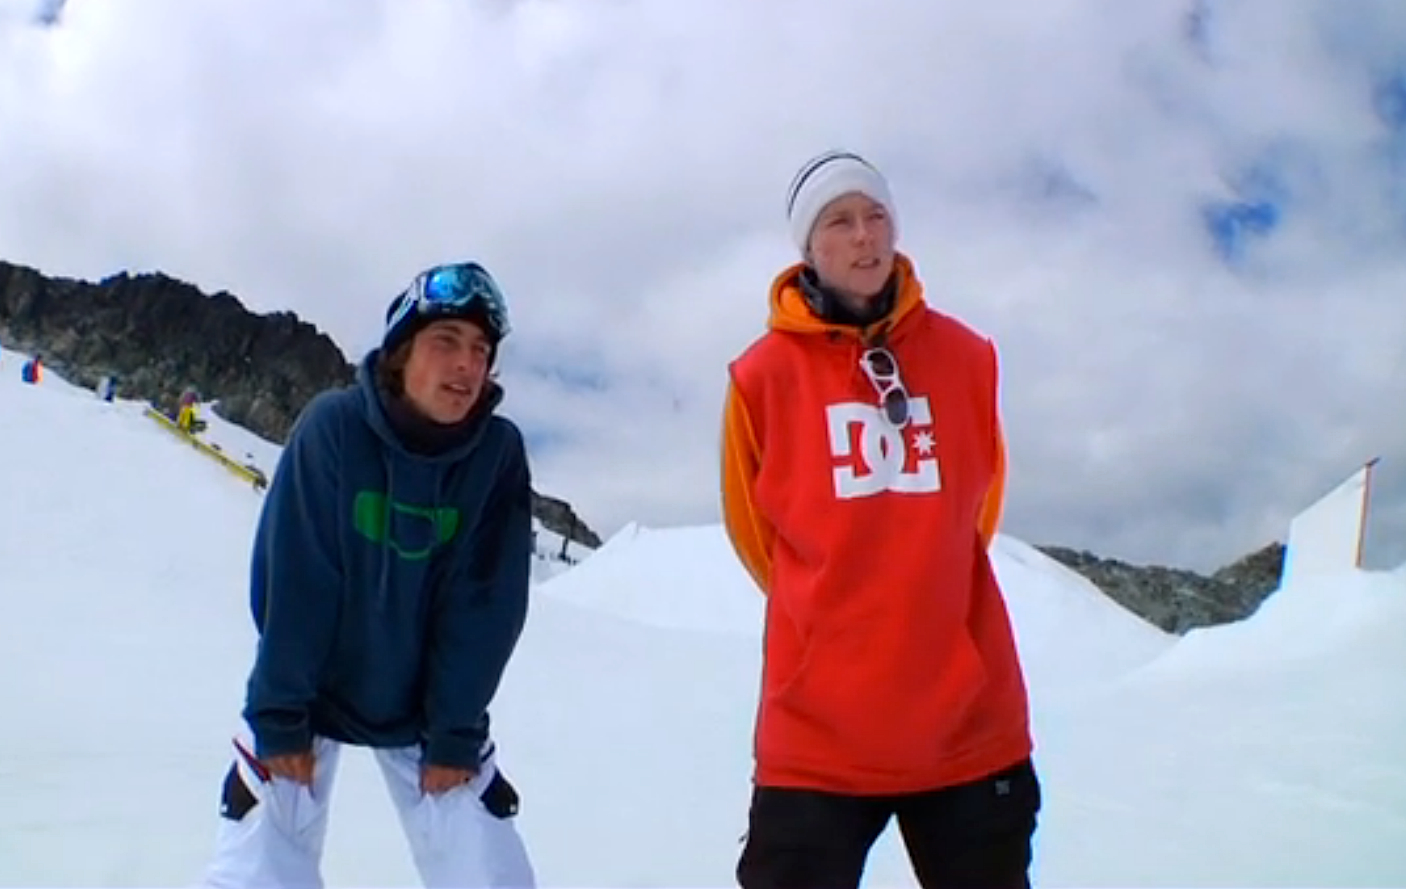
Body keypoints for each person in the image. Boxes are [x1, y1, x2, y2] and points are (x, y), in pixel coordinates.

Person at [720, 150, 1041, 889]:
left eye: (876, 217)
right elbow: (754, 531)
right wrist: (834, 611)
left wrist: (922, 582)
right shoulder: (761, 377)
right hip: (818, 738)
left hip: (967, 727)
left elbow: (979, 506)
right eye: (840, 221)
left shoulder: (967, 357)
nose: (864, 235)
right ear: (809, 248)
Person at [200, 260, 537, 889]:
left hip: (427, 705)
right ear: (401, 353)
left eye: (480, 350)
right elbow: (298, 582)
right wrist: (280, 717)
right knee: (255, 871)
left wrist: (454, 734)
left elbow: (483, 603)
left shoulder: (496, 455)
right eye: (446, 341)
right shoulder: (334, 428)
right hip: (311, 693)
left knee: (488, 870)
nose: (467, 365)